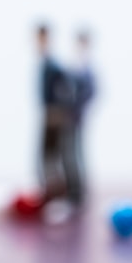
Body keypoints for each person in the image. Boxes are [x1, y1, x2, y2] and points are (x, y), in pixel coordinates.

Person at [36, 24, 80, 204]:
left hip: (54, 115)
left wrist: (60, 108)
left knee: (55, 155)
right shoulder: (46, 63)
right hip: (49, 112)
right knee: (48, 156)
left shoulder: (54, 65)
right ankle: (52, 193)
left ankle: (63, 195)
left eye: (42, 38)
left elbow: (68, 89)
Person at [70, 29, 96, 205]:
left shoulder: (87, 66)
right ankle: (75, 190)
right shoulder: (75, 64)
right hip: (71, 115)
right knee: (72, 152)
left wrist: (78, 106)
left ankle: (80, 192)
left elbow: (92, 91)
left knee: (78, 152)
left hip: (78, 115)